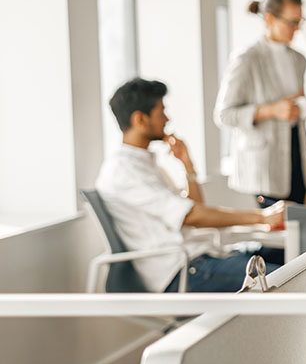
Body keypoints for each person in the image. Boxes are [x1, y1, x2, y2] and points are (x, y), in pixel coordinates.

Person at [96, 78, 286, 292]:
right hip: (184, 272)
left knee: (289, 259)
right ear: (140, 119)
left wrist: (187, 165)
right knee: (288, 283)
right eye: (161, 112)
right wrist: (263, 217)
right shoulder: (124, 172)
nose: (167, 119)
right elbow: (193, 216)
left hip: (200, 258)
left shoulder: (144, 164)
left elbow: (192, 209)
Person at [214, 0, 306, 207]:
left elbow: (291, 103)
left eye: (300, 22)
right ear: (269, 18)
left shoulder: (299, 59)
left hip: (296, 152)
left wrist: (304, 106)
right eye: (291, 22)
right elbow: (224, 115)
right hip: (264, 162)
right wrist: (271, 110)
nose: (296, 29)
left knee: (298, 224)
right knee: (276, 233)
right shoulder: (247, 59)